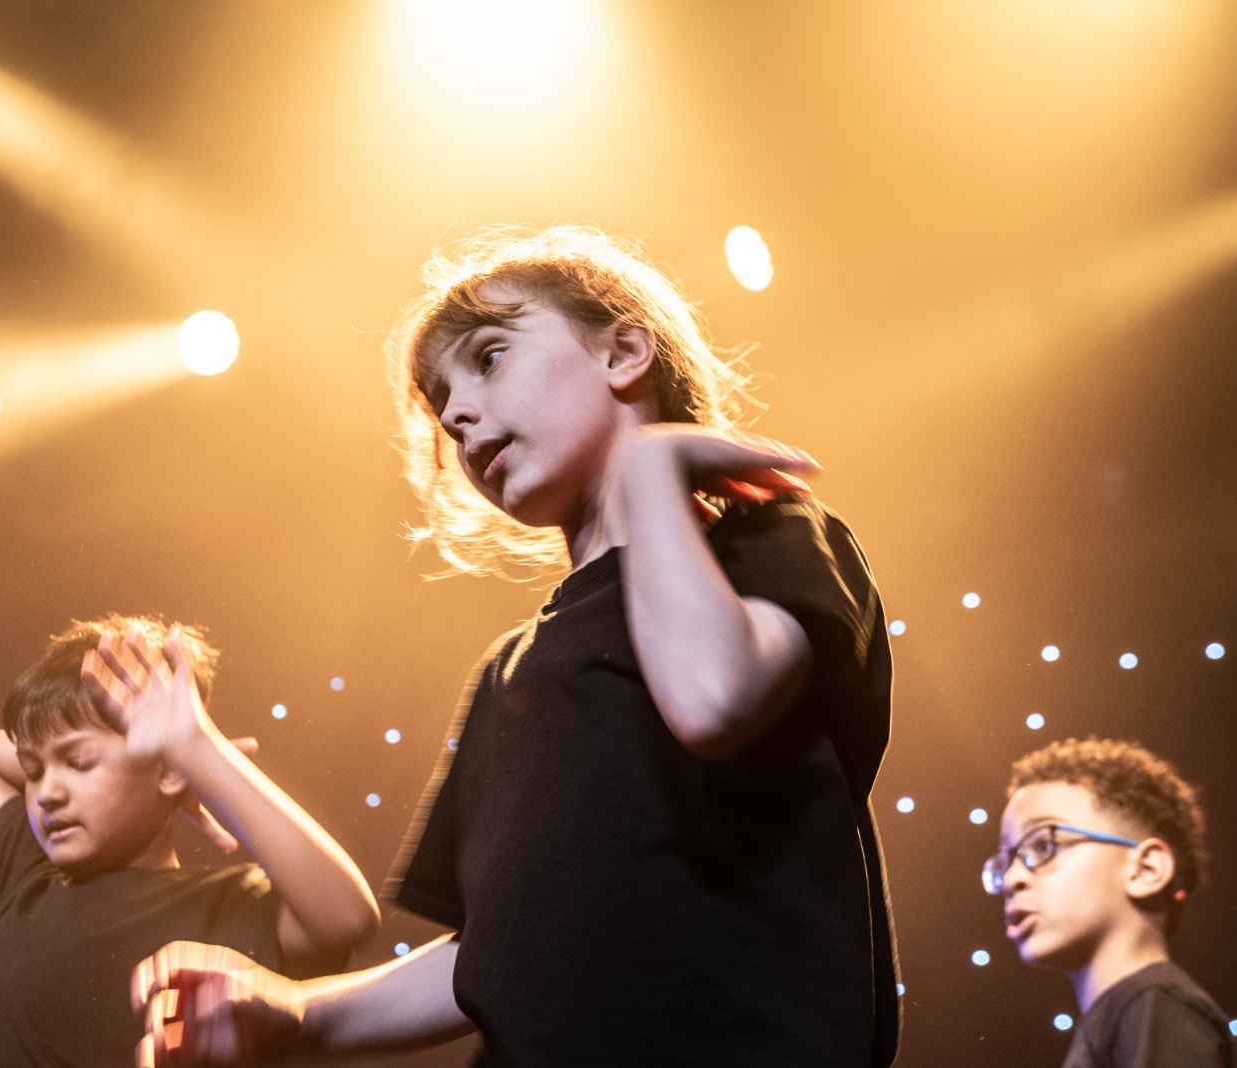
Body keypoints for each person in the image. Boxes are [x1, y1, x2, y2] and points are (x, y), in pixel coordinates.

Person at [131, 225, 901, 1067]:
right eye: (442, 404)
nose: (458, 414)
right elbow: (496, 951)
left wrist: (650, 474)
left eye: (489, 358)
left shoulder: (769, 539)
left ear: (624, 352)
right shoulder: (513, 669)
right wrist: (297, 1014)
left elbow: (712, 696)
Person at [0, 614, 380, 1068]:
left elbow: (347, 918)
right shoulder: (25, 875)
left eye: (79, 762)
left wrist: (200, 758)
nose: (47, 792)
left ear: (166, 767)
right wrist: (160, 763)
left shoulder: (224, 907)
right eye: (32, 770)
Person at [986, 737, 1237, 1068]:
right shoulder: (1124, 1019)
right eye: (1007, 860)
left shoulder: (1157, 1006)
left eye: (1043, 845)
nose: (1011, 879)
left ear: (1147, 869)